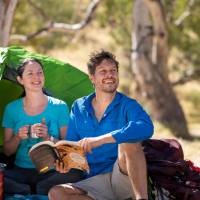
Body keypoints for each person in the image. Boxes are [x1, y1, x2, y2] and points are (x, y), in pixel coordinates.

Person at [48, 50, 154, 200]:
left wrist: (102, 139)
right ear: (92, 77)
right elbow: (73, 146)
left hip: (124, 176)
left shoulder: (128, 105)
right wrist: (65, 163)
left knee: (128, 141)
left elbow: (146, 127)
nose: (109, 75)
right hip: (94, 180)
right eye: (103, 71)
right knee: (56, 193)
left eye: (113, 71)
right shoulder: (79, 107)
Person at [2, 59, 84, 195]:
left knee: (77, 172)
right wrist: (18, 137)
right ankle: (35, 190)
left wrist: (48, 137)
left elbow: (69, 150)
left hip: (51, 172)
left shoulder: (59, 106)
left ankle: (33, 190)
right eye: (30, 74)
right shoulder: (12, 109)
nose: (36, 77)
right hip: (20, 172)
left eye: (40, 73)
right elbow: (7, 152)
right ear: (20, 80)